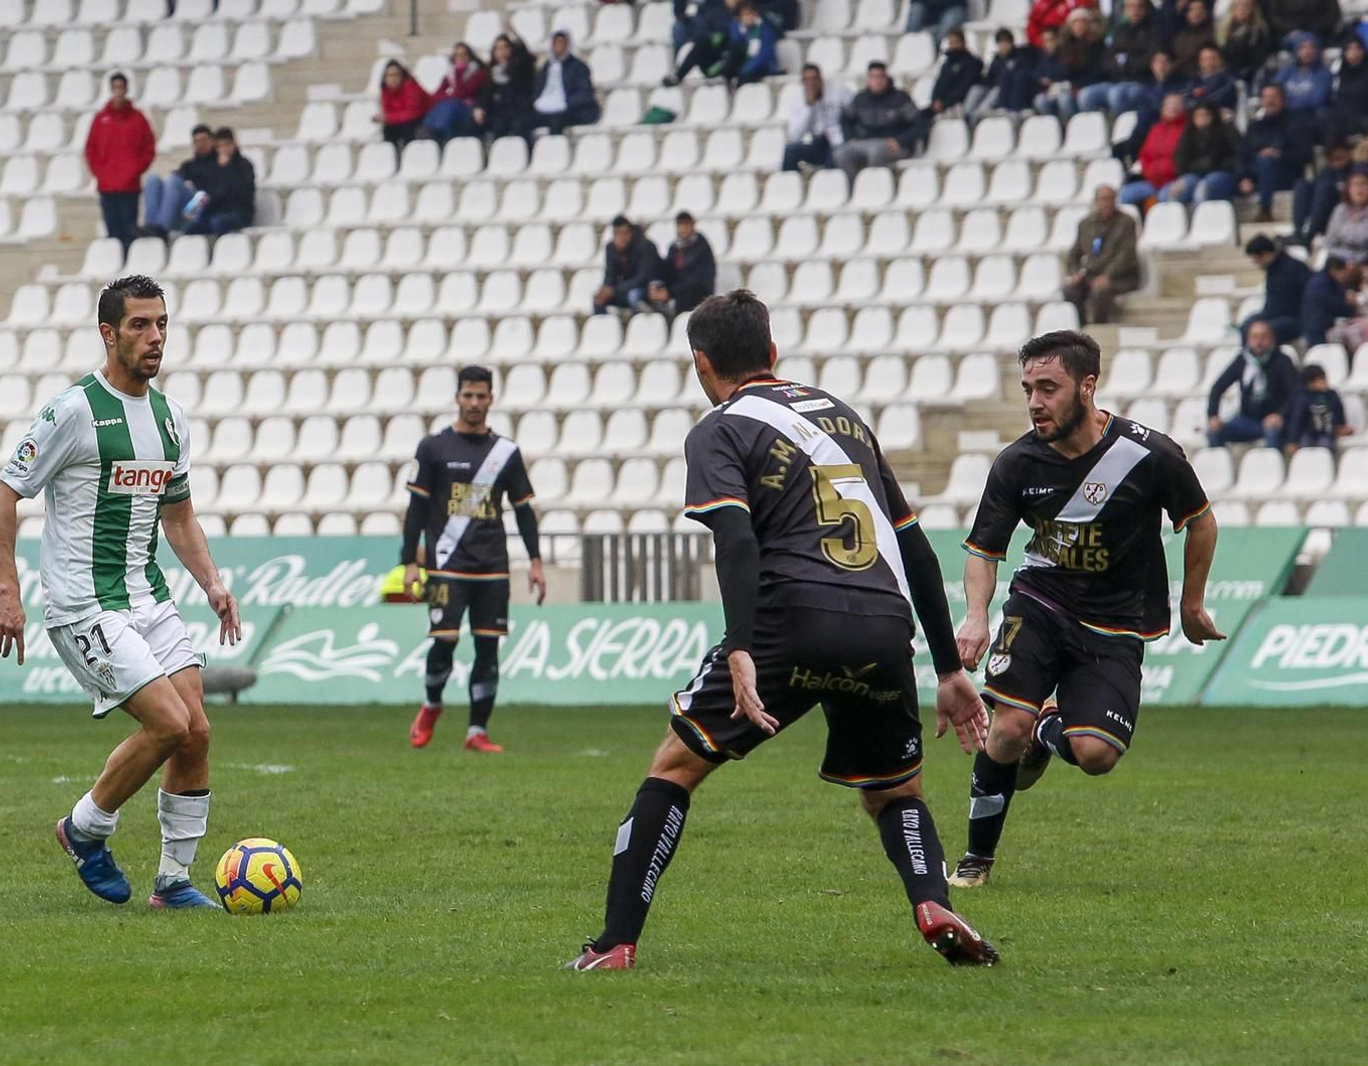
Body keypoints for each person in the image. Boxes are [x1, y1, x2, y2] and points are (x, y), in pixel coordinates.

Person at [566, 290, 997, 972]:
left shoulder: (721, 428)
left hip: (788, 620)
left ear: (701, 363)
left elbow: (735, 538)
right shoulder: (846, 420)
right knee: (894, 790)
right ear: (773, 352)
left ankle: (616, 942)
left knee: (674, 768)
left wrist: (740, 643)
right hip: (883, 625)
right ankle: (931, 900)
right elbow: (913, 544)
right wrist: (948, 669)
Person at [0, 274, 242, 910]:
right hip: (83, 604)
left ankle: (174, 882)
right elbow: (2, 496)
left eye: (161, 324)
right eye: (139, 325)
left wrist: (211, 582)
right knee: (169, 723)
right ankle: (84, 828)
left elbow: (178, 515)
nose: (154, 337)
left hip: (148, 598)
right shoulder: (73, 411)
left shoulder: (170, 418)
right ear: (108, 333)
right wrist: (8, 592)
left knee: (199, 731)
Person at [948, 330, 1223, 890]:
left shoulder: (1149, 454)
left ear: (1088, 386)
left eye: (1048, 388)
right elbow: (983, 551)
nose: (1034, 402)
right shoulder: (1016, 464)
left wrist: (1192, 604)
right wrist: (977, 615)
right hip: (1040, 604)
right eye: (1028, 388)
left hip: (1115, 625)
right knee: (1005, 730)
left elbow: (1201, 520)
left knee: (1096, 754)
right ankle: (976, 860)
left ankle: (1048, 727)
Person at [402, 366, 544, 755]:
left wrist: (535, 560)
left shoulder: (506, 453)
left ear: (491, 399)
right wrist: (410, 562)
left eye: (481, 396)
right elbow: (416, 509)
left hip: (492, 566)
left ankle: (477, 731)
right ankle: (432, 703)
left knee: (488, 648)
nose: (475, 403)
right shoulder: (433, 448)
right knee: (444, 641)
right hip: (446, 563)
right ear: (457, 397)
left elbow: (524, 510)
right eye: (468, 395)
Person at [84, 73, 155, 250]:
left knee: (129, 230)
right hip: (107, 185)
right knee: (112, 231)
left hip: (129, 185)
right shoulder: (101, 119)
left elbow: (149, 146)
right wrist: (99, 172)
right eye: (115, 88)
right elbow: (91, 148)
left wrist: (137, 169)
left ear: (126, 89)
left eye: (121, 87)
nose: (118, 92)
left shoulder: (138, 119)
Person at [1205, 318, 1298, 447]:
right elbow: (1218, 387)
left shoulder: (1282, 361)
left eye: (1263, 337)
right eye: (1254, 337)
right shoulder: (1243, 360)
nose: (1259, 342)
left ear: (1271, 338)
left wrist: (1280, 415)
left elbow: (1295, 394)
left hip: (1272, 420)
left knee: (1273, 435)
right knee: (1214, 432)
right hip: (1247, 420)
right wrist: (1213, 415)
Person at [833, 62, 923, 185]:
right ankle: (853, 187)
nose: (878, 81)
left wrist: (901, 141)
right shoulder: (860, 99)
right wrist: (849, 137)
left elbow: (919, 124)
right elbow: (845, 119)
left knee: (876, 152)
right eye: (874, 77)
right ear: (868, 79)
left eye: (881, 77)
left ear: (887, 78)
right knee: (841, 153)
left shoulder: (900, 98)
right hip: (865, 141)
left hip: (893, 143)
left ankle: (872, 187)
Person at [1063, 185, 1141, 325]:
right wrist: (1075, 272)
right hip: (1092, 274)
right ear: (1096, 201)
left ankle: (1099, 327)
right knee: (1070, 290)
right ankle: (1082, 326)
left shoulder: (1126, 222)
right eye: (1104, 199)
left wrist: (1108, 275)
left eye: (1111, 199)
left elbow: (1126, 255)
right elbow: (1074, 253)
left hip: (1121, 277)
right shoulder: (1086, 224)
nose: (1107, 203)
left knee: (1100, 291)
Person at [1238, 84, 1312, 223]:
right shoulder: (1254, 127)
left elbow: (1304, 155)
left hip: (1286, 174)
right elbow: (1242, 156)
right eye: (1266, 97)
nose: (1269, 101)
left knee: (1266, 160)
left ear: (1283, 100)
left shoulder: (1297, 124)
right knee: (1220, 181)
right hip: (1255, 177)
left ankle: (1265, 210)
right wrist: (1244, 178)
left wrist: (1278, 154)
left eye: (1274, 97)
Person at [663, 0, 780, 86]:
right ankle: (679, 76)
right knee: (703, 44)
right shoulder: (734, 27)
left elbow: (764, 55)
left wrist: (745, 71)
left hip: (753, 69)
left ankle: (723, 75)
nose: (748, 18)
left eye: (751, 14)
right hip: (732, 66)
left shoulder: (764, 29)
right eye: (745, 15)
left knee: (735, 50)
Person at [1078, 0, 1162, 115]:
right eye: (1130, 7)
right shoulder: (1120, 31)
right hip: (1117, 81)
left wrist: (1125, 63)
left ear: (1146, 8)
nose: (1135, 10)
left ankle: (1122, 129)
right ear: (1125, 10)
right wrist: (1123, 64)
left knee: (1117, 94)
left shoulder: (1154, 31)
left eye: (1139, 7)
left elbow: (1149, 61)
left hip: (1142, 82)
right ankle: (1101, 129)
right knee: (1086, 95)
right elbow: (1107, 61)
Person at [140, 124, 216, 241]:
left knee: (176, 182)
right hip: (186, 211)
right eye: (197, 141)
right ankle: (151, 225)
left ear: (212, 141)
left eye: (204, 140)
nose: (201, 144)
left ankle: (162, 228)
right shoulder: (188, 166)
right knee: (153, 180)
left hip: (203, 206)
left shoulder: (219, 164)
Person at [1118, 92, 1187, 209]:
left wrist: (1168, 171)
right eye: (1169, 104)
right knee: (1125, 194)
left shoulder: (1187, 129)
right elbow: (1144, 155)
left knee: (1164, 197)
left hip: (1174, 180)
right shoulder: (1156, 129)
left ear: (1183, 108)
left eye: (1176, 104)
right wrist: (1151, 173)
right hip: (1152, 180)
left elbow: (1183, 157)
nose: (1172, 107)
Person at [183, 127, 255, 238]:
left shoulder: (244, 165)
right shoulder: (213, 166)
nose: (223, 149)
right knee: (192, 228)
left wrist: (226, 168)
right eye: (219, 146)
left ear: (234, 144)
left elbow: (242, 192)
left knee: (218, 223)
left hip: (240, 212)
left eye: (226, 145)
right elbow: (211, 192)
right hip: (216, 212)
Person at [1036, 8, 1105, 121]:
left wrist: (1070, 85)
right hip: (1066, 87)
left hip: (1086, 86)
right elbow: (1059, 70)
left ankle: (1073, 127)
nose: (1079, 26)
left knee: (1065, 100)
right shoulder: (1065, 46)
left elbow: (1096, 73)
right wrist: (1054, 83)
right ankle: (1058, 129)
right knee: (1041, 100)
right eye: (1076, 23)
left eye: (1082, 22)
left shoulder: (1096, 45)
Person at [1242, 234, 1311, 342]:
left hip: (1294, 318)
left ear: (1265, 255)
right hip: (1272, 315)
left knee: (1265, 330)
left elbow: (1309, 295)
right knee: (1248, 325)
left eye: (1256, 259)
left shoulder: (1295, 268)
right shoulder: (1271, 270)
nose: (1257, 264)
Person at [1168, 101, 1240, 204]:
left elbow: (1234, 157)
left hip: (1222, 174)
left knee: (1203, 189)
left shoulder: (1226, 130)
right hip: (1193, 175)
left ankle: (1201, 219)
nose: (1202, 118)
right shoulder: (1188, 135)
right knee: (1174, 192)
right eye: (1198, 115)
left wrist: (1199, 166)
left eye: (1206, 114)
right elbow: (1180, 160)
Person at [782, 64, 850, 171]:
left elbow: (854, 113)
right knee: (791, 150)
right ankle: (789, 184)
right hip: (816, 143)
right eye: (807, 80)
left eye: (814, 79)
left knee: (833, 158)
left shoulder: (839, 92)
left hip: (837, 141)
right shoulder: (798, 101)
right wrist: (809, 107)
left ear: (820, 79)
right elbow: (795, 136)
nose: (811, 83)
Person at [1291, 142, 1357, 249]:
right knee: (1301, 184)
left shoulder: (1355, 170)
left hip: (1338, 211)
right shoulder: (1327, 171)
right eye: (1334, 157)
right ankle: (1298, 231)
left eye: (1341, 156)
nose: (1337, 159)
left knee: (1324, 189)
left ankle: (1309, 235)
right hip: (1319, 211)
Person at [531, 31, 599, 134]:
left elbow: (585, 94)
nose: (558, 46)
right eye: (555, 43)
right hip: (547, 108)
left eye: (561, 43)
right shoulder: (547, 67)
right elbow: (539, 89)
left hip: (572, 109)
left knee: (555, 121)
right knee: (522, 121)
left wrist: (565, 102)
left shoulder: (578, 67)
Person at [594, 215, 663, 315]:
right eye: (617, 233)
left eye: (625, 233)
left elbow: (642, 278)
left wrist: (614, 290)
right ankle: (602, 328)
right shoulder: (610, 248)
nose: (621, 237)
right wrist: (605, 290)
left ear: (631, 233)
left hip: (648, 289)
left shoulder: (646, 246)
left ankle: (639, 325)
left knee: (634, 296)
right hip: (624, 289)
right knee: (599, 299)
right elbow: (610, 274)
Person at [650, 211, 716, 314]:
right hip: (678, 291)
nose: (683, 228)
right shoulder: (674, 248)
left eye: (686, 224)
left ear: (692, 225)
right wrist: (658, 285)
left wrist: (671, 292)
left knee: (685, 298)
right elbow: (668, 271)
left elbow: (699, 280)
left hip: (697, 293)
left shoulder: (702, 247)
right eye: (680, 224)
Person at [967, 28, 1042, 119]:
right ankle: (971, 115)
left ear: (1012, 43)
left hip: (1009, 95)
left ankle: (984, 113)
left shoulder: (1020, 57)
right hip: (996, 92)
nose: (1003, 46)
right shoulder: (996, 60)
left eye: (1006, 43)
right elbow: (989, 79)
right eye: (1001, 43)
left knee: (998, 89)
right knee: (978, 89)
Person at [474, 32, 536, 139]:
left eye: (505, 47)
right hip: (500, 112)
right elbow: (486, 94)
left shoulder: (520, 67)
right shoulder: (491, 72)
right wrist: (479, 108)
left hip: (520, 110)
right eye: (498, 48)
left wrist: (516, 36)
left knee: (519, 126)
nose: (502, 51)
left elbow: (526, 56)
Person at [423, 42, 487, 142]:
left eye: (464, 54)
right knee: (444, 106)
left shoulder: (478, 73)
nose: (460, 58)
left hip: (470, 108)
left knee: (451, 105)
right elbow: (437, 95)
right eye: (457, 55)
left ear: (470, 56)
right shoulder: (451, 72)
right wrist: (450, 95)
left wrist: (459, 73)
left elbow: (463, 93)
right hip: (454, 107)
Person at [1283, 364, 1353, 453]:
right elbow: (1297, 420)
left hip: (1327, 433)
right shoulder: (1303, 398)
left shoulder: (1332, 396)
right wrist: (1292, 440)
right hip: (1308, 433)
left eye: (1324, 379)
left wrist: (1340, 427)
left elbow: (1338, 413)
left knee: (1325, 444)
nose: (1324, 382)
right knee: (1305, 445)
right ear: (1310, 383)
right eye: (1319, 380)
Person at [1330, 43, 1368, 144]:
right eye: (1349, 49)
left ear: (1364, 51)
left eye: (1358, 49)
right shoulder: (1338, 76)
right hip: (1342, 129)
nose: (1354, 53)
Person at [1325, 172, 1368, 263]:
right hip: (1339, 260)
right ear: (1348, 189)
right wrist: (1346, 259)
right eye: (1355, 184)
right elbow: (1330, 243)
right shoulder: (1340, 210)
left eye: (1363, 184)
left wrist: (1355, 262)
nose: (1359, 188)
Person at [1303, 256, 1360, 347]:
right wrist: (1351, 307)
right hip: (1318, 328)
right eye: (1343, 272)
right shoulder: (1321, 284)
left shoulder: (1325, 281)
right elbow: (1335, 306)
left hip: (1319, 325)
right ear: (1334, 270)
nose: (1344, 276)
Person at [376, 60, 432, 149]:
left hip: (423, 117)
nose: (393, 79)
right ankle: (392, 158)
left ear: (402, 76)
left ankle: (410, 158)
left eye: (396, 75)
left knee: (408, 128)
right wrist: (386, 118)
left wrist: (389, 117)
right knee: (388, 129)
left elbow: (412, 113)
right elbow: (388, 111)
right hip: (402, 120)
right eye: (389, 75)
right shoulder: (385, 90)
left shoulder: (410, 86)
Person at [1217, 0, 1275, 85]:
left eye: (1246, 5)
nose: (1242, 8)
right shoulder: (1223, 29)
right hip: (1224, 71)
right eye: (1239, 5)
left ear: (1253, 9)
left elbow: (1259, 59)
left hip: (1247, 74)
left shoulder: (1259, 31)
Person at [1274, 33, 1331, 117]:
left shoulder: (1324, 74)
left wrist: (1286, 102)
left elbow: (1316, 100)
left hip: (1309, 118)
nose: (1307, 52)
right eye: (1303, 48)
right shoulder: (1287, 70)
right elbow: (1274, 91)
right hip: (1285, 117)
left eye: (1311, 47)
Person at [931, 28, 982, 115]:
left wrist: (945, 103)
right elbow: (939, 84)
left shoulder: (972, 63)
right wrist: (935, 99)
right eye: (951, 42)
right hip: (942, 105)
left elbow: (964, 87)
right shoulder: (947, 64)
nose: (952, 45)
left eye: (955, 42)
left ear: (963, 43)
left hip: (958, 104)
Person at [1169, 0, 1215, 76]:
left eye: (1200, 9)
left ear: (1206, 12)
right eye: (1192, 9)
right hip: (1182, 77)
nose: (1197, 13)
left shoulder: (1212, 33)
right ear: (1187, 14)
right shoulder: (1180, 37)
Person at [1260, 0, 1341, 43]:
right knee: (1300, 44)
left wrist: (1312, 29)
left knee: (1309, 43)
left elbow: (1332, 14)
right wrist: (1292, 30)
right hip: (1286, 33)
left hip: (1318, 32)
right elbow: (1273, 16)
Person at [1185, 44, 1237, 111]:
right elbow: (1187, 100)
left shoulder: (1230, 79)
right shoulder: (1193, 81)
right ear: (1199, 62)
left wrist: (1197, 103)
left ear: (1221, 59)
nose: (1209, 63)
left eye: (1213, 58)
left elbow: (1218, 99)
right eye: (1205, 59)